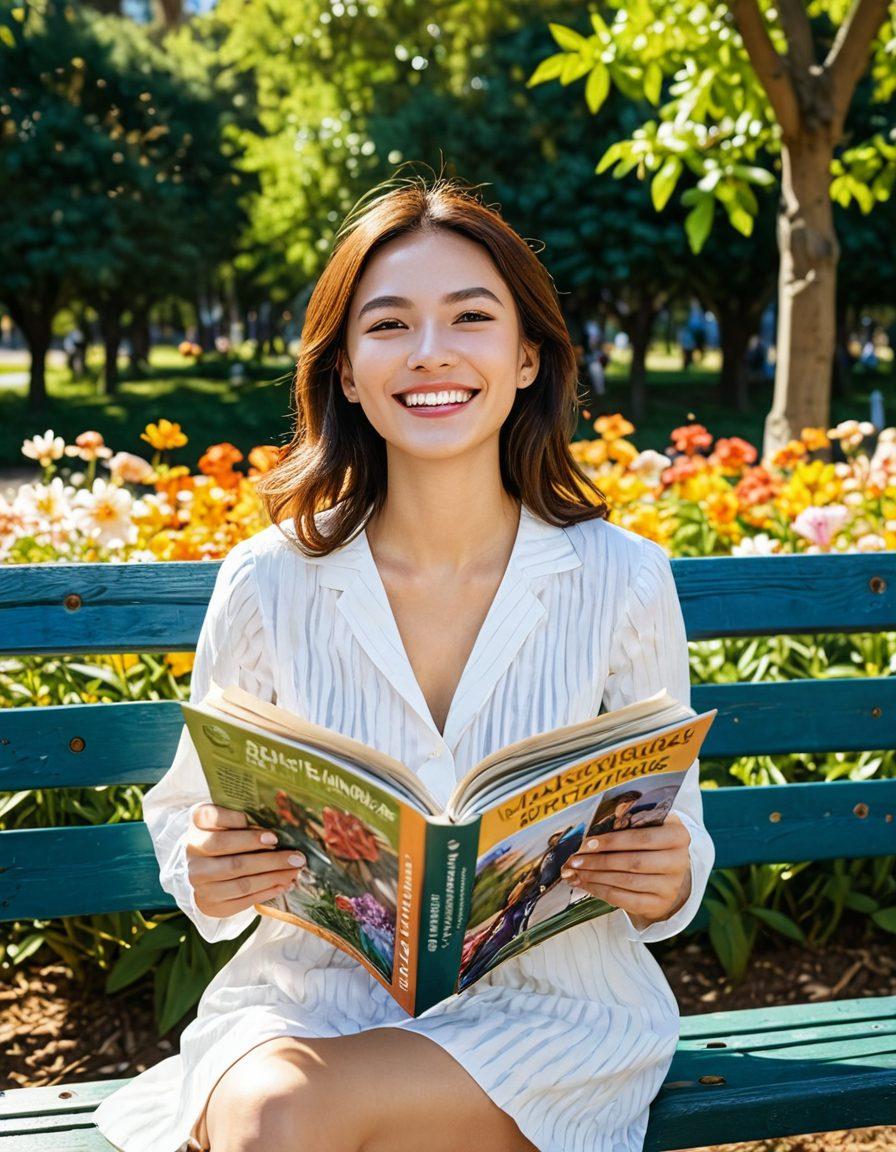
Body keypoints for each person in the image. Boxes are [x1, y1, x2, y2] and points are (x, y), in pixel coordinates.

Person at [93, 173, 714, 1152]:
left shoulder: (623, 576)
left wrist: (664, 876)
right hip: (306, 1000)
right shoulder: (267, 579)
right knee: (273, 1107)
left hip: (548, 1015)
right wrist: (205, 865)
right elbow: (187, 813)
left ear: (526, 358)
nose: (430, 352)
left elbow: (676, 836)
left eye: (470, 317)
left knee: (287, 1117)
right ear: (345, 370)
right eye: (388, 325)